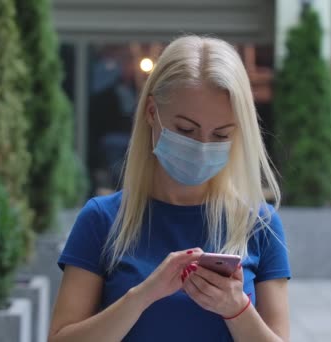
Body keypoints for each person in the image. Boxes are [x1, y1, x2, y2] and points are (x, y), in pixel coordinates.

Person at [49, 35, 291, 342]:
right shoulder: (102, 220)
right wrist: (142, 296)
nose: (202, 146)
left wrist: (237, 310)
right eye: (186, 130)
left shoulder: (259, 225)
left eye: (220, 134)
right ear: (152, 112)